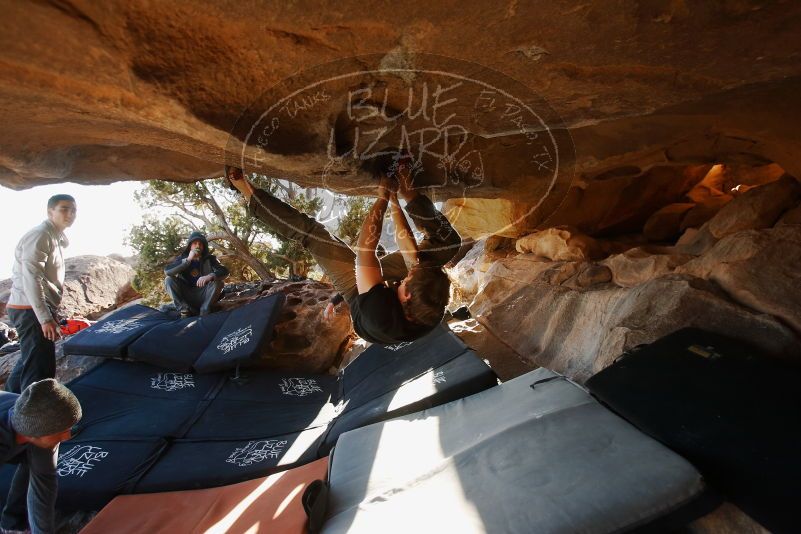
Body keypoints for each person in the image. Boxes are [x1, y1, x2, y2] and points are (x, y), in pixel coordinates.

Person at [226, 153, 461, 345]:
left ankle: (246, 191)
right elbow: (411, 255)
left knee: (312, 234)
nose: (408, 273)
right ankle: (406, 183)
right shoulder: (432, 304)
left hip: (358, 295)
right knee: (448, 242)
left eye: (408, 277)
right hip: (394, 297)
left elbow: (365, 251)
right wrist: (396, 199)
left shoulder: (378, 312)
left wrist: (382, 197)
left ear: (405, 294)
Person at [5, 194, 76, 395]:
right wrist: (45, 318)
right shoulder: (41, 235)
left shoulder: (54, 236)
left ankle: (7, 406)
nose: (70, 213)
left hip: (32, 308)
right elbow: (31, 277)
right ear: (49, 211)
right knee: (40, 370)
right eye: (64, 209)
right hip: (29, 309)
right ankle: (33, 421)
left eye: (73, 210)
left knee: (31, 361)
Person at [0, 379, 82, 534]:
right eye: (62, 431)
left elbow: (43, 486)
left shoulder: (37, 419)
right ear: (35, 434)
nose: (67, 437)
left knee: (37, 464)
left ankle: (11, 523)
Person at [163, 231, 229, 317]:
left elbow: (225, 271)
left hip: (204, 294)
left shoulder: (210, 259)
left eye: (200, 244)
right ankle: (184, 310)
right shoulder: (182, 258)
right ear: (190, 246)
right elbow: (168, 271)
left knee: (218, 282)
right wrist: (188, 260)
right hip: (187, 295)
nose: (198, 246)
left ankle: (205, 309)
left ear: (203, 247)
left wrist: (209, 276)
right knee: (169, 280)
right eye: (195, 243)